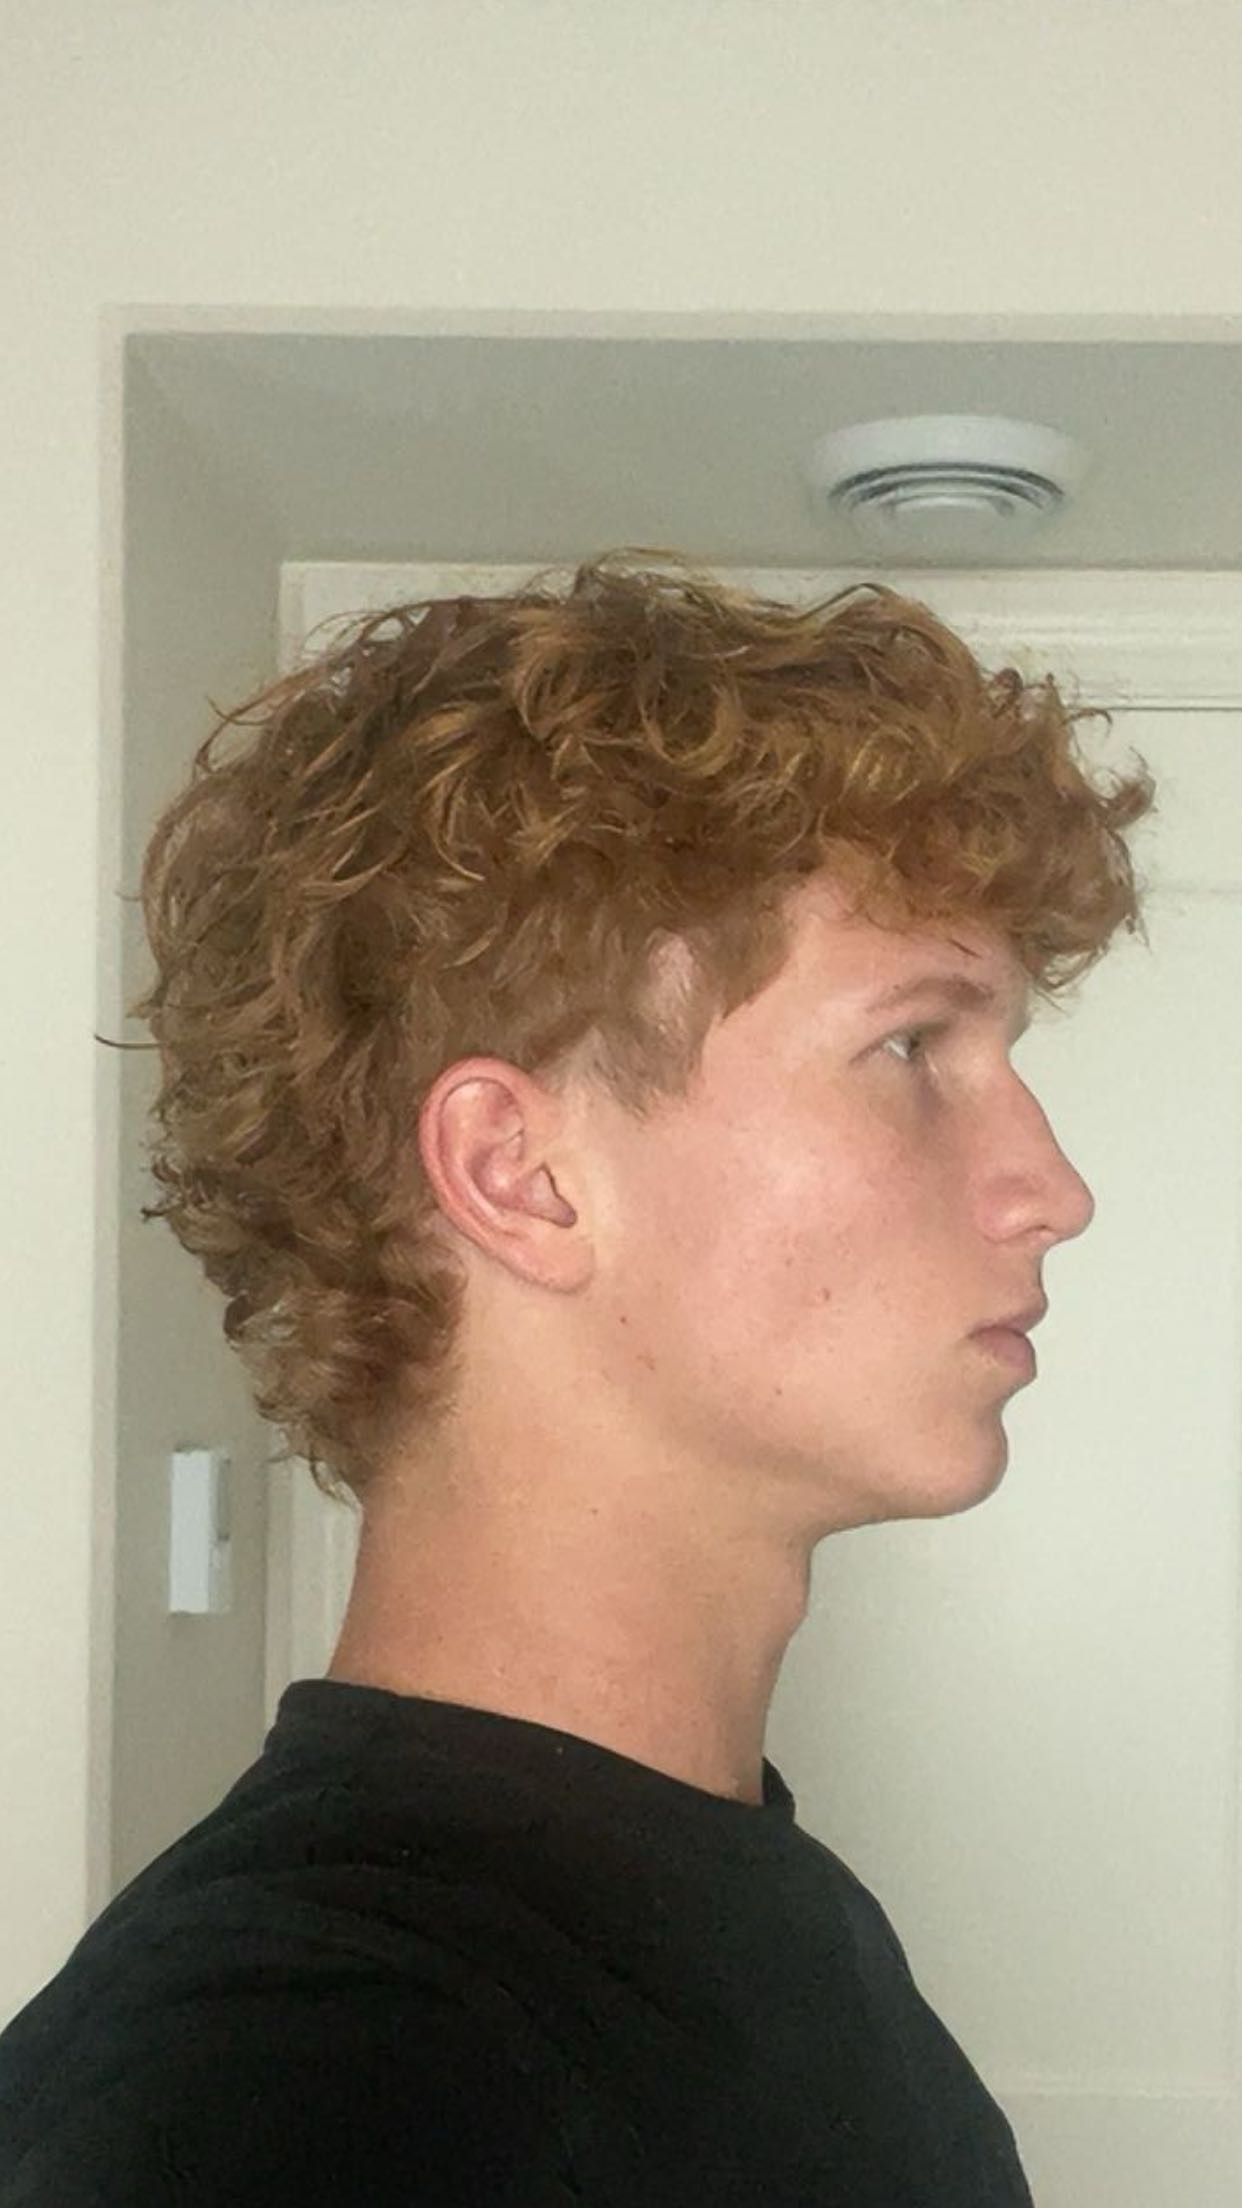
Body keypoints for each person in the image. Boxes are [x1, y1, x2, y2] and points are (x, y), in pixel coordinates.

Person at [0, 554, 1156, 2204]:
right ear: (522, 1175)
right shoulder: (301, 2078)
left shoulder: (736, 1903)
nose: (1051, 1188)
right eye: (912, 1048)